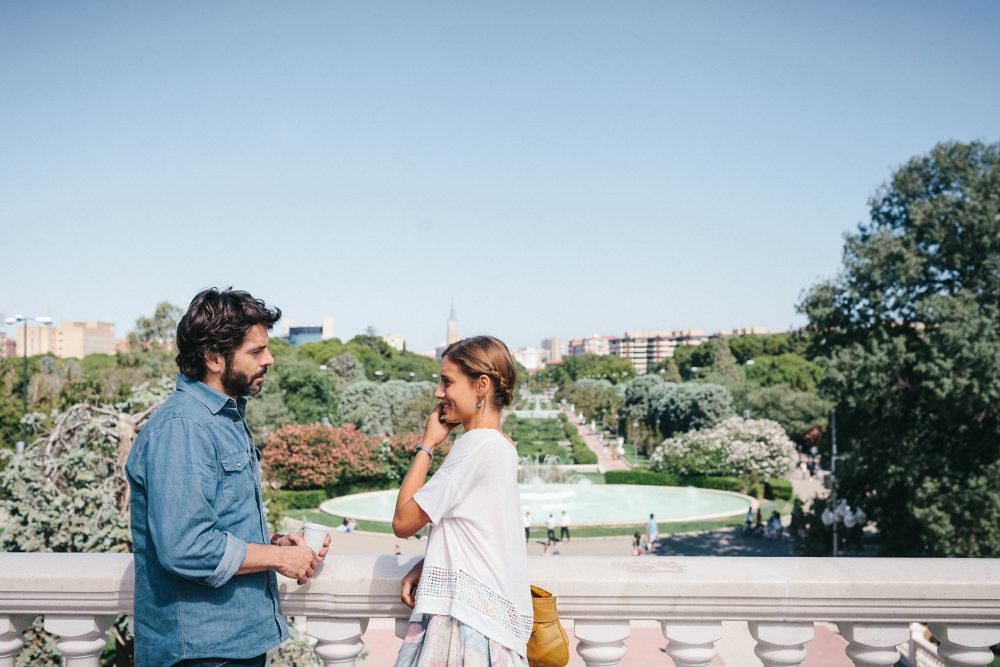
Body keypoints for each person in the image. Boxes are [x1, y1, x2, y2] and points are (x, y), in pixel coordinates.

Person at [126, 288, 330, 667]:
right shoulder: (184, 427)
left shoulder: (221, 419)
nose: (268, 359)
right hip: (201, 653)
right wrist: (279, 558)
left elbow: (214, 525)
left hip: (229, 646)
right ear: (213, 357)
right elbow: (185, 546)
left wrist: (276, 543)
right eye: (255, 352)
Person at [392, 336, 531, 666]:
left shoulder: (476, 445)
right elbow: (482, 529)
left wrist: (427, 444)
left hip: (465, 625)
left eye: (447, 381)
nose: (439, 393)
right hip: (486, 622)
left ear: (481, 386)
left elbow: (403, 521)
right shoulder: (501, 445)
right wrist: (432, 562)